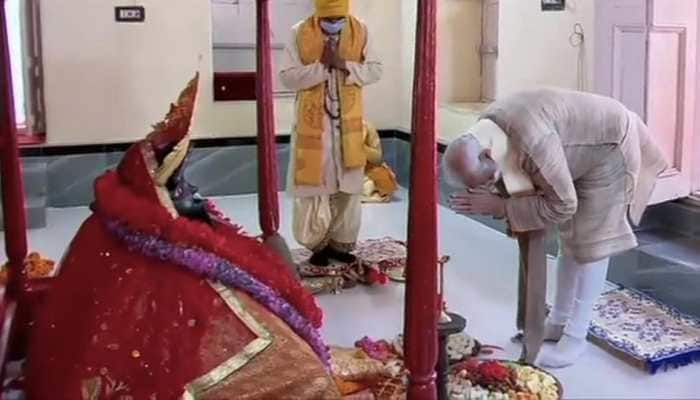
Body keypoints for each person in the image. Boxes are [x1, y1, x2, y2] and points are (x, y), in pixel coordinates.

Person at [25, 75, 341, 399]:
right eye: (180, 185)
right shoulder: (161, 251)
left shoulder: (132, 225)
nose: (193, 192)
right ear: (159, 196)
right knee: (310, 378)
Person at [442, 88, 667, 368]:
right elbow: (517, 181)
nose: (488, 187)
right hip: (581, 146)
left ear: (487, 154)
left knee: (591, 244)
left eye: (488, 180)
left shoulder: (534, 142)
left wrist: (501, 207)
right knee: (568, 241)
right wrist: (498, 195)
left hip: (611, 148)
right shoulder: (484, 130)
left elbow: (562, 205)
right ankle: (558, 321)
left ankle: (576, 336)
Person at [280, 0, 383, 267]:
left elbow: (375, 70)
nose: (333, 25)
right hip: (313, 128)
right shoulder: (298, 32)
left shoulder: (362, 30)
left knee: (348, 188)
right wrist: (323, 67)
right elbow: (287, 77)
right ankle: (318, 245)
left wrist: (344, 64)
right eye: (329, 19)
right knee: (314, 188)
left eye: (339, 19)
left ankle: (341, 244)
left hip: (349, 128)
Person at [362, 120, 398, 203]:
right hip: (342, 174)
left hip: (365, 173)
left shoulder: (366, 126)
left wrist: (360, 145)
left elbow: (377, 159)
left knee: (370, 185)